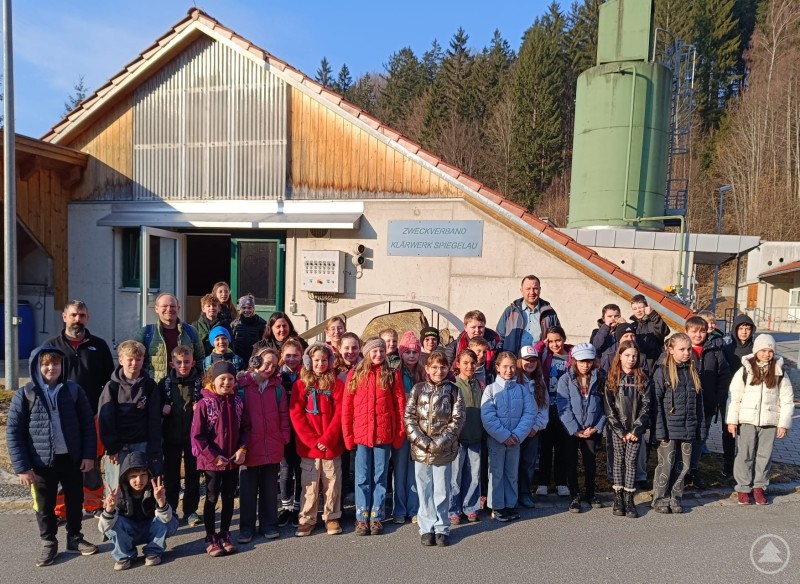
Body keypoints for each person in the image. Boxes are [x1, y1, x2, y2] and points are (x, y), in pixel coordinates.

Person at [6, 345, 98, 567]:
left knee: (75, 500)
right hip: (40, 464)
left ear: (62, 365)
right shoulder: (26, 394)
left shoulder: (73, 390)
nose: (51, 368)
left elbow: (87, 424)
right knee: (45, 506)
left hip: (72, 459)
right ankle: (49, 542)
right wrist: (23, 467)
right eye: (45, 364)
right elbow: (14, 432)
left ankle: (75, 537)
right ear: (37, 367)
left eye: (55, 363)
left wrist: (88, 456)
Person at [45, 299, 114, 520]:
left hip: (92, 416)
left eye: (82, 315)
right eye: (74, 315)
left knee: (91, 462)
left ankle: (94, 505)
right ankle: (61, 510)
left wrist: (102, 410)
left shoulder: (99, 345)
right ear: (64, 317)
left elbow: (109, 382)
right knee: (62, 463)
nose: (78, 319)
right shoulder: (51, 346)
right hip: (60, 416)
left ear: (87, 318)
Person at [342, 337, 406, 536]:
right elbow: (347, 407)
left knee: (379, 477)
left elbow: (400, 405)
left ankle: (376, 516)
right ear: (367, 352)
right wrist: (348, 435)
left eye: (381, 351)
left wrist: (400, 433)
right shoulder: (355, 374)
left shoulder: (392, 375)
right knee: (362, 477)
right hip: (362, 435)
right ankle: (362, 517)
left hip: (383, 434)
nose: (378, 355)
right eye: (374, 351)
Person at [405, 351, 465, 547]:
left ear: (448, 368)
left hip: (443, 450)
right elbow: (409, 418)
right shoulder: (417, 389)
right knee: (423, 489)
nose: (439, 371)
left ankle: (441, 527)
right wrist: (423, 442)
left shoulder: (454, 391)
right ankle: (426, 527)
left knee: (442, 490)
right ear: (427, 369)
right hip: (421, 450)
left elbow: (457, 421)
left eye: (443, 367)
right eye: (434, 368)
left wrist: (438, 443)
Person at [726, 334, 794, 506]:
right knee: (745, 455)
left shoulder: (779, 372)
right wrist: (732, 421)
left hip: (770, 422)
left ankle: (759, 487)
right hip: (747, 420)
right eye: (763, 350)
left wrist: (784, 423)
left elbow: (787, 399)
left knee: (764, 456)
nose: (767, 354)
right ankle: (743, 488)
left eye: (770, 351)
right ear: (756, 351)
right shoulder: (744, 371)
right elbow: (734, 397)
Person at [191, 361, 249, 556]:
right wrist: (213, 456)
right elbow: (197, 436)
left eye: (230, 379)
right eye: (222, 379)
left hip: (232, 458)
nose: (226, 383)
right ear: (213, 380)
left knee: (229, 496)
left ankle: (225, 533)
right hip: (212, 461)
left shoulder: (238, 402)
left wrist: (242, 448)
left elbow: (245, 429)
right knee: (211, 496)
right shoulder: (204, 404)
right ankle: (210, 536)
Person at [290, 343, 345, 536]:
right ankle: (307, 518)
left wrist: (328, 438)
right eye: (316, 360)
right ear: (309, 362)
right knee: (310, 484)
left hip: (331, 445)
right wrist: (313, 440)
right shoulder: (300, 385)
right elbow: (296, 415)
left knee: (331, 482)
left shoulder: (336, 384)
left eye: (323, 360)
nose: (320, 364)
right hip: (309, 448)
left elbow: (340, 414)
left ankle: (332, 517)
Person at [238, 349, 288, 542]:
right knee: (248, 489)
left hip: (272, 443)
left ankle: (269, 524)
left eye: (274, 365)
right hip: (248, 445)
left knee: (269, 488)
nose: (269, 368)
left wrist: (284, 437)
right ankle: (246, 528)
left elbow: (283, 415)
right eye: (266, 363)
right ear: (256, 361)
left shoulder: (278, 389)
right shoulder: (241, 385)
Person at [651, 333, 705, 514]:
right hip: (668, 429)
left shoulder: (692, 371)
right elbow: (656, 402)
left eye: (689, 349)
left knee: (684, 466)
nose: (686, 353)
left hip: (688, 427)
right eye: (682, 349)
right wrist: (659, 431)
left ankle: (675, 497)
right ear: (671, 350)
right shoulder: (662, 371)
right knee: (666, 464)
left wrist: (700, 428)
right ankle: (660, 498)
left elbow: (699, 403)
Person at [98, 340, 162, 493]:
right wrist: (111, 446)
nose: (134, 363)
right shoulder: (112, 387)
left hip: (141, 443)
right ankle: (113, 515)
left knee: (140, 483)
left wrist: (154, 447)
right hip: (118, 446)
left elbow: (154, 419)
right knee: (115, 486)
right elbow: (105, 418)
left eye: (138, 359)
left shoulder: (149, 386)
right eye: (130, 359)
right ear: (121, 360)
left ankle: (139, 515)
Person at [98, 451, 178, 570]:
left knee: (170, 521)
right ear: (126, 477)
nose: (139, 480)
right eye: (133, 476)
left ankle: (153, 551)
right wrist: (109, 509)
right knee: (111, 526)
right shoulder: (118, 494)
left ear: (149, 475)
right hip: (129, 532)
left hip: (151, 529)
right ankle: (125, 555)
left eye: (143, 474)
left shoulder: (156, 489)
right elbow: (103, 529)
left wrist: (161, 502)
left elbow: (166, 520)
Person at [481, 351, 535, 522]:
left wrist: (517, 435)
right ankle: (497, 506)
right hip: (497, 440)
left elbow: (530, 412)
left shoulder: (522, 390)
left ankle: (510, 504)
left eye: (512, 366)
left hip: (516, 440)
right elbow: (488, 416)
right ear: (497, 368)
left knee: (511, 473)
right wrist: (503, 435)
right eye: (505, 366)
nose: (509, 370)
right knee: (496, 473)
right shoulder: (490, 390)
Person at [603, 341, 652, 519]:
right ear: (620, 356)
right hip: (618, 429)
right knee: (618, 461)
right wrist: (620, 430)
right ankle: (618, 498)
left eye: (634, 356)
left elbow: (646, 406)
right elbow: (609, 407)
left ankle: (629, 498)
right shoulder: (612, 377)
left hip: (635, 430)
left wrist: (636, 429)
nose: (631, 359)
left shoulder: (643, 378)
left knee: (631, 462)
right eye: (627, 355)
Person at [557, 343, 606, 513]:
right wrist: (574, 429)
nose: (585, 365)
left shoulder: (600, 378)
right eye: (581, 361)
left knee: (590, 463)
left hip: (591, 428)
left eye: (589, 361)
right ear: (574, 361)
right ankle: (574, 494)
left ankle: (591, 492)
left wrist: (597, 426)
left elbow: (605, 406)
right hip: (572, 429)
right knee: (570, 462)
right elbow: (563, 406)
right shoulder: (566, 379)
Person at [158, 345, 203, 526]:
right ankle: (171, 509)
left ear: (192, 362)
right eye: (179, 362)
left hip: (193, 437)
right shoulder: (165, 383)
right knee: (171, 476)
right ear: (172, 364)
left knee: (193, 474)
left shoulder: (200, 382)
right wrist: (163, 409)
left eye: (186, 362)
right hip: (171, 437)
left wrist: (199, 407)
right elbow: (155, 406)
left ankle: (191, 511)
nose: (183, 365)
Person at [685, 315, 732, 487]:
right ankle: (682, 471)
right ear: (686, 332)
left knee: (700, 438)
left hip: (707, 404)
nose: (698, 335)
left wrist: (718, 399)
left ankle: (693, 471)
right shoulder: (682, 349)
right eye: (694, 331)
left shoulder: (714, 350)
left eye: (702, 331)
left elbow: (724, 375)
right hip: (686, 406)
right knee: (686, 439)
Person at [535, 326, 572, 497]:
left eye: (558, 340)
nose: (555, 344)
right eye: (550, 341)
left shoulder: (571, 356)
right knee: (546, 447)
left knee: (563, 447)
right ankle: (542, 482)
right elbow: (533, 354)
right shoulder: (545, 355)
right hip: (547, 407)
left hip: (565, 408)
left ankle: (561, 482)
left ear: (564, 338)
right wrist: (542, 345)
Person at [134, 293, 204, 383]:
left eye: (173, 306)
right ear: (156, 309)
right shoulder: (145, 333)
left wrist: (192, 380)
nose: (169, 309)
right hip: (155, 387)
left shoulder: (191, 332)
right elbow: (135, 360)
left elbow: (200, 360)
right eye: (164, 306)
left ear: (178, 308)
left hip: (184, 387)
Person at [392, 331, 424, 524]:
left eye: (415, 352)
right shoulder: (395, 373)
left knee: (415, 471)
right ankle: (399, 509)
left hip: (419, 429)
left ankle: (414, 508)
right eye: (407, 352)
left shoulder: (423, 374)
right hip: (402, 429)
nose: (411, 355)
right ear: (401, 353)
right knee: (400, 469)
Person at [449, 349, 483, 524]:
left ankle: (470, 506)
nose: (469, 366)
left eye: (472, 363)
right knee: (455, 477)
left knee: (473, 475)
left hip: (476, 436)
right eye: (465, 363)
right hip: (458, 439)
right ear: (458, 364)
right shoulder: (453, 385)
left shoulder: (480, 385)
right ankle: (453, 509)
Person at [515, 346, 549, 508]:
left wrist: (536, 427)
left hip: (532, 432)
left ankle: (525, 493)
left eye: (533, 360)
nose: (530, 363)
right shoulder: (514, 379)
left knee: (528, 463)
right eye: (526, 360)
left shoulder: (539, 382)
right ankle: (511, 494)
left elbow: (544, 408)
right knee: (513, 463)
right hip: (515, 430)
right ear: (519, 361)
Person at [277, 338, 305, 527]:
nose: (292, 359)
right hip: (283, 428)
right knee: (285, 470)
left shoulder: (305, 375)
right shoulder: (278, 376)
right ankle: (285, 507)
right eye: (288, 355)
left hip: (301, 429)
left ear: (301, 355)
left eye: (295, 355)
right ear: (282, 356)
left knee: (299, 469)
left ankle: (296, 507)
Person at [496, 275, 561, 356]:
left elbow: (558, 338)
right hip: (513, 362)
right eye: (528, 289)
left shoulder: (549, 313)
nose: (532, 292)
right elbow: (499, 338)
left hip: (540, 362)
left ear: (540, 290)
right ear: (521, 290)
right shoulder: (510, 311)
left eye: (535, 288)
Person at [629, 294, 670, 372]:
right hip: (637, 369)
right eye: (635, 308)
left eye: (641, 307)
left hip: (655, 367)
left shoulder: (654, 322)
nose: (638, 311)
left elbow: (665, 331)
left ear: (647, 307)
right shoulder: (632, 326)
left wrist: (653, 315)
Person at [231, 294, 267, 363]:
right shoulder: (234, 324)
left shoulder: (261, 323)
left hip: (255, 357)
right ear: (240, 309)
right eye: (244, 308)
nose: (247, 310)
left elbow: (264, 342)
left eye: (249, 308)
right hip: (238, 357)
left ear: (253, 308)